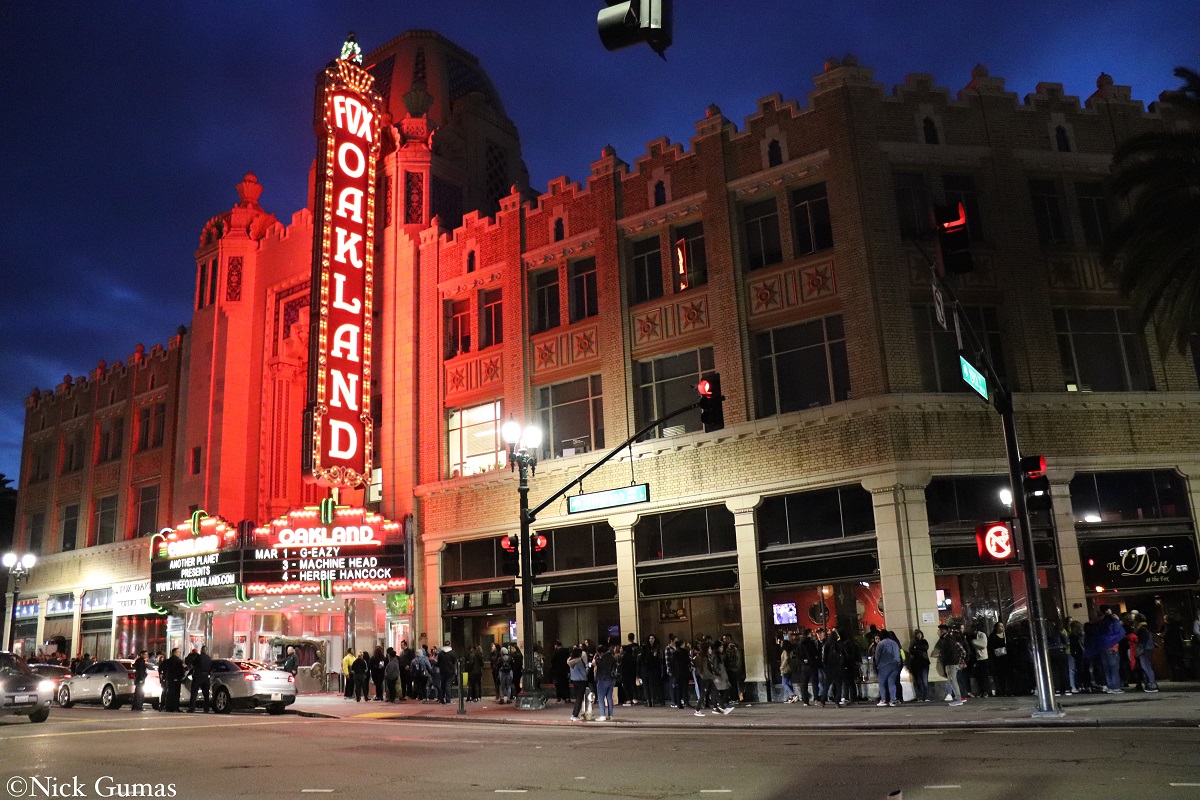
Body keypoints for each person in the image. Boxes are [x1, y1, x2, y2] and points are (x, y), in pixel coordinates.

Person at [1098, 607, 1126, 693]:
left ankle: (1110, 687)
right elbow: (1118, 631)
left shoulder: (1101, 624)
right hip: (1113, 648)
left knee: (1107, 669)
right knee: (1114, 669)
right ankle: (1116, 687)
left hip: (1103, 648)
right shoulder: (1113, 623)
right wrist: (1117, 620)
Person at [938, 627, 966, 706]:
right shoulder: (948, 639)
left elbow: (950, 652)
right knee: (952, 680)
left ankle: (958, 699)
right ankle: (958, 698)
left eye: (939, 630)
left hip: (951, 663)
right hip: (951, 662)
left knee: (953, 680)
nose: (938, 632)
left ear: (943, 631)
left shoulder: (947, 639)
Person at [873, 631, 901, 706]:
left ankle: (883, 700)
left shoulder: (881, 644)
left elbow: (877, 655)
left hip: (884, 665)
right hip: (895, 665)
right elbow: (898, 653)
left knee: (882, 683)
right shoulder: (894, 643)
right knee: (892, 683)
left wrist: (877, 664)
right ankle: (892, 700)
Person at [821, 629, 846, 706]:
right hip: (838, 667)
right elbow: (843, 656)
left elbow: (824, 657)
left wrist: (825, 665)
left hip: (829, 667)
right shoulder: (839, 644)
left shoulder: (827, 645)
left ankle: (822, 701)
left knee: (827, 685)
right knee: (838, 685)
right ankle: (837, 702)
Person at [1134, 615, 1160, 692]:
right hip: (1149, 648)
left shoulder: (1141, 629)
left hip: (1144, 649)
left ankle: (1152, 684)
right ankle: (1151, 683)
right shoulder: (1147, 627)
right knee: (1147, 666)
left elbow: (1142, 641)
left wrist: (1138, 650)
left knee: (1146, 666)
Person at [797, 629, 821, 706]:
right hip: (812, 665)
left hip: (804, 666)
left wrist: (803, 660)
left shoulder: (800, 643)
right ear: (808, 634)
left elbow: (798, 654)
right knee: (814, 683)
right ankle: (816, 699)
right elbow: (815, 653)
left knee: (804, 683)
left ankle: (805, 700)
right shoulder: (811, 643)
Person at [593, 643, 617, 721]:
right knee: (609, 697)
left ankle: (603, 715)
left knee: (601, 698)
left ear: (600, 652)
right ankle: (610, 715)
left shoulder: (601, 659)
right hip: (611, 679)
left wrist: (595, 663)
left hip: (602, 679)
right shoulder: (612, 658)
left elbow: (598, 668)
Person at [907, 630, 931, 702]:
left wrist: (916, 648)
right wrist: (917, 649)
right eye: (917, 635)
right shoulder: (912, 642)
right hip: (916, 664)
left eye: (920, 634)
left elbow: (925, 647)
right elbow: (911, 650)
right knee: (918, 681)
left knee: (924, 681)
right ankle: (919, 696)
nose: (919, 636)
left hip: (924, 663)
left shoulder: (924, 641)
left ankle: (926, 696)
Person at [567, 646, 590, 721]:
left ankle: (574, 714)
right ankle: (575, 715)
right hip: (581, 681)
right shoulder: (579, 662)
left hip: (574, 680)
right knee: (579, 699)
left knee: (578, 698)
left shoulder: (571, 662)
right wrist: (588, 668)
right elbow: (584, 673)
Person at [988, 622, 1011, 696]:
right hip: (997, 658)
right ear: (996, 628)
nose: (1002, 628)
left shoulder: (1006, 636)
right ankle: (1001, 690)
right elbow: (991, 647)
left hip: (1006, 658)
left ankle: (1008, 690)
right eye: (1000, 626)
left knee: (1007, 675)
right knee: (999, 675)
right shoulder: (993, 636)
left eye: (1002, 626)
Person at [721, 634, 745, 703]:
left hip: (732, 668)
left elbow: (731, 658)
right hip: (731, 668)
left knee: (732, 683)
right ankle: (733, 697)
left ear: (729, 639)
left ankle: (734, 698)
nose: (724, 640)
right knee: (732, 683)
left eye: (725, 639)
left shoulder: (731, 647)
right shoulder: (728, 647)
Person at [189, 646, 213, 713]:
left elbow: (193, 664)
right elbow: (211, 667)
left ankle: (192, 708)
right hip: (206, 677)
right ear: (207, 651)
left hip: (198, 676)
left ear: (201, 650)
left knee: (194, 693)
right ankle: (206, 708)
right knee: (206, 694)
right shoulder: (209, 658)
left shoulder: (199, 657)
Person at [161, 647, 184, 712]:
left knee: (169, 694)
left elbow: (162, 668)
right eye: (178, 652)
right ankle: (175, 707)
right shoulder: (179, 661)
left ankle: (168, 707)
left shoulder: (168, 661)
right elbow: (181, 670)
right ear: (174, 653)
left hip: (169, 679)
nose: (179, 653)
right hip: (177, 679)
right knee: (176, 694)